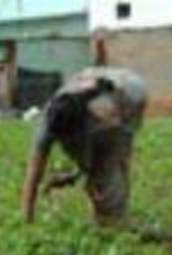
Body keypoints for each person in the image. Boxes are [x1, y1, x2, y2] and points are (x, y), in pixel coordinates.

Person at [21, 67, 147, 224]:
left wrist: (94, 174)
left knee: (110, 164)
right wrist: (27, 218)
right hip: (95, 86)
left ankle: (116, 216)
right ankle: (106, 213)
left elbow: (116, 149)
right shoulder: (47, 121)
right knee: (96, 169)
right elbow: (33, 172)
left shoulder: (102, 113)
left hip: (129, 92)